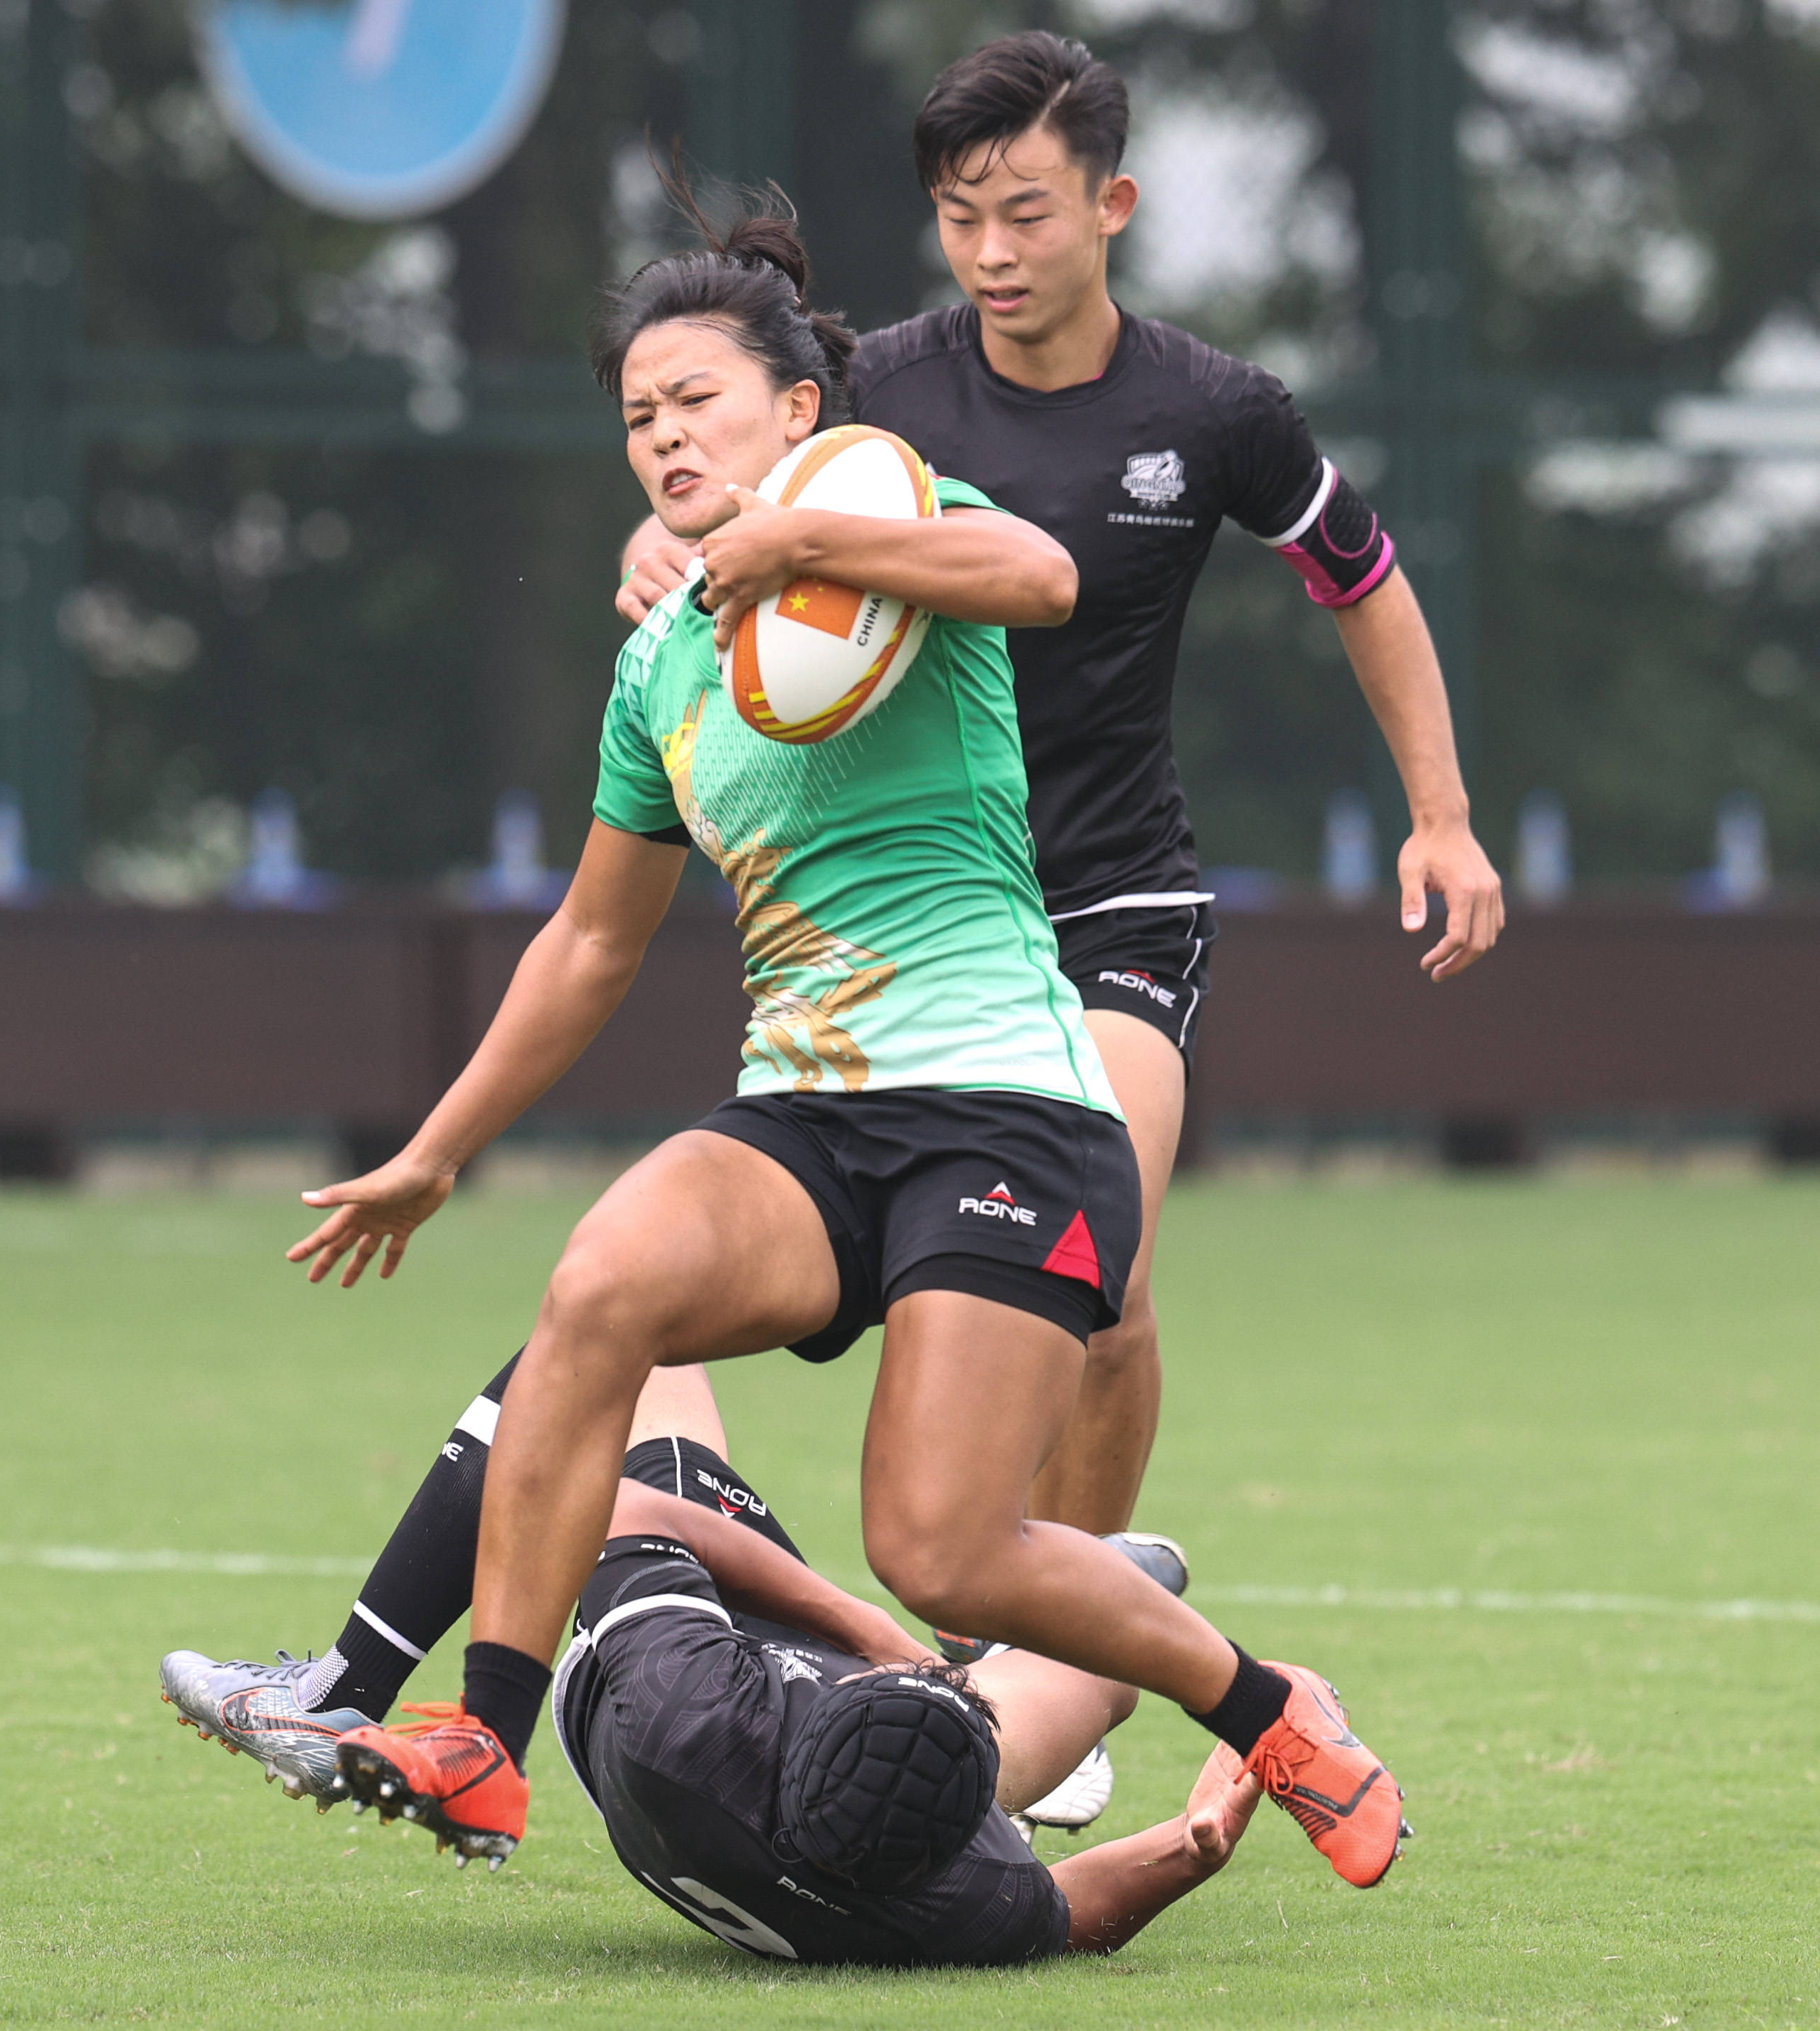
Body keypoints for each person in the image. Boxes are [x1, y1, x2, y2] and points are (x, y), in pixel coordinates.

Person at [272, 183, 1407, 1889]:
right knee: (597, 1287)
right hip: (807, 1120)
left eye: (696, 401)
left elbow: (1037, 573)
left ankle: (1267, 1704)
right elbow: (590, 941)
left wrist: (798, 538)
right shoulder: (659, 664)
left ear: (797, 409)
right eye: (637, 417)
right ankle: (478, 1734)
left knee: (940, 1550)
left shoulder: (892, 512)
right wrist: (438, 1149)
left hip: (1008, 1110)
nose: (662, 437)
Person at [616, 33, 1505, 1546]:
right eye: (959, 216)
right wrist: (652, 548)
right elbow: (725, 478)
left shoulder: (1214, 411)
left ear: (1113, 204)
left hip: (1113, 905)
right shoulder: (874, 383)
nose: (989, 251)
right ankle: (982, 1614)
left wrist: (1440, 814)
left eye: (1024, 211)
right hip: (925, 918)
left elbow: (1360, 581)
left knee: (1110, 1280)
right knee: (903, 1287)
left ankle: (1059, 1665)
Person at [168, 1368, 1267, 1966]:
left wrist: (858, 1622)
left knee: (611, 1347)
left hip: (659, 1725)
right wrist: (1197, 1838)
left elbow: (592, 1502)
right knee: (1133, 1603)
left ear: (824, 1696)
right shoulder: (963, 1895)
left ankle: (342, 1692)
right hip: (846, 1789)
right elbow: (1080, 1911)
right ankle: (1013, 1678)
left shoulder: (690, 1699)